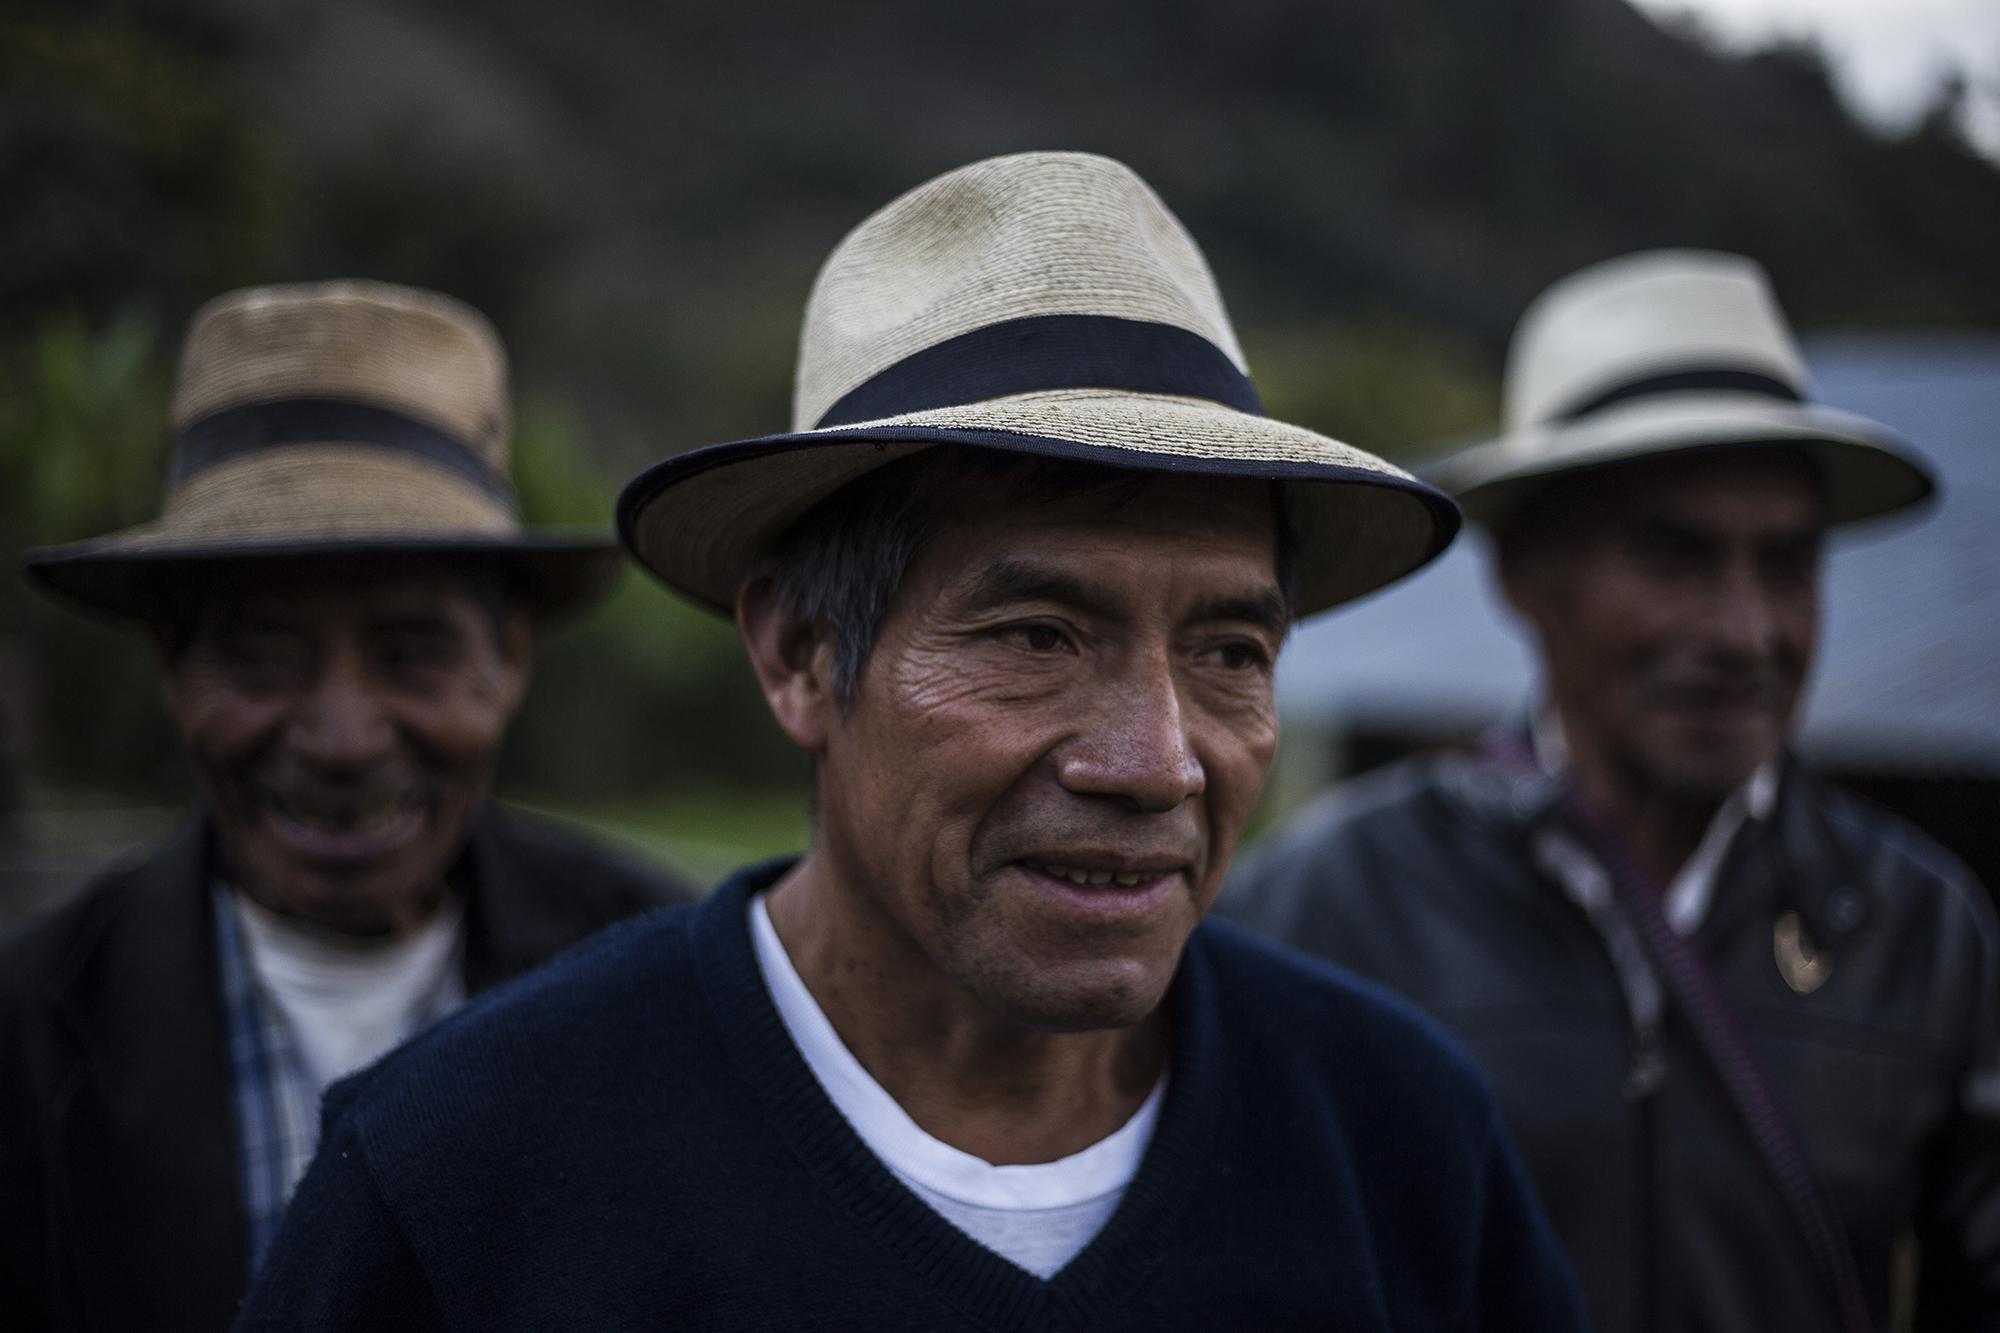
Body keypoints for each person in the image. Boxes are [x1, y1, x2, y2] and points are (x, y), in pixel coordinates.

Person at [234, 152, 1588, 1330]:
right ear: (800, 656)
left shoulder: (1400, 1136)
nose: (1157, 761)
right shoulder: (462, 1172)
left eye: (1229, 654)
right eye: (1037, 636)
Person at [1225, 249, 2000, 1333]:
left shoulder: (1917, 929)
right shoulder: (1329, 903)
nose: (1744, 631)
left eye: (1785, 564)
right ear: (1526, 576)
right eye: (1672, 557)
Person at [0, 281, 692, 1332]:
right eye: (261, 656)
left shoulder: (669, 982)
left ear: (507, 663)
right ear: (174, 668)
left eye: (412, 653)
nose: (341, 737)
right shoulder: (27, 1035)